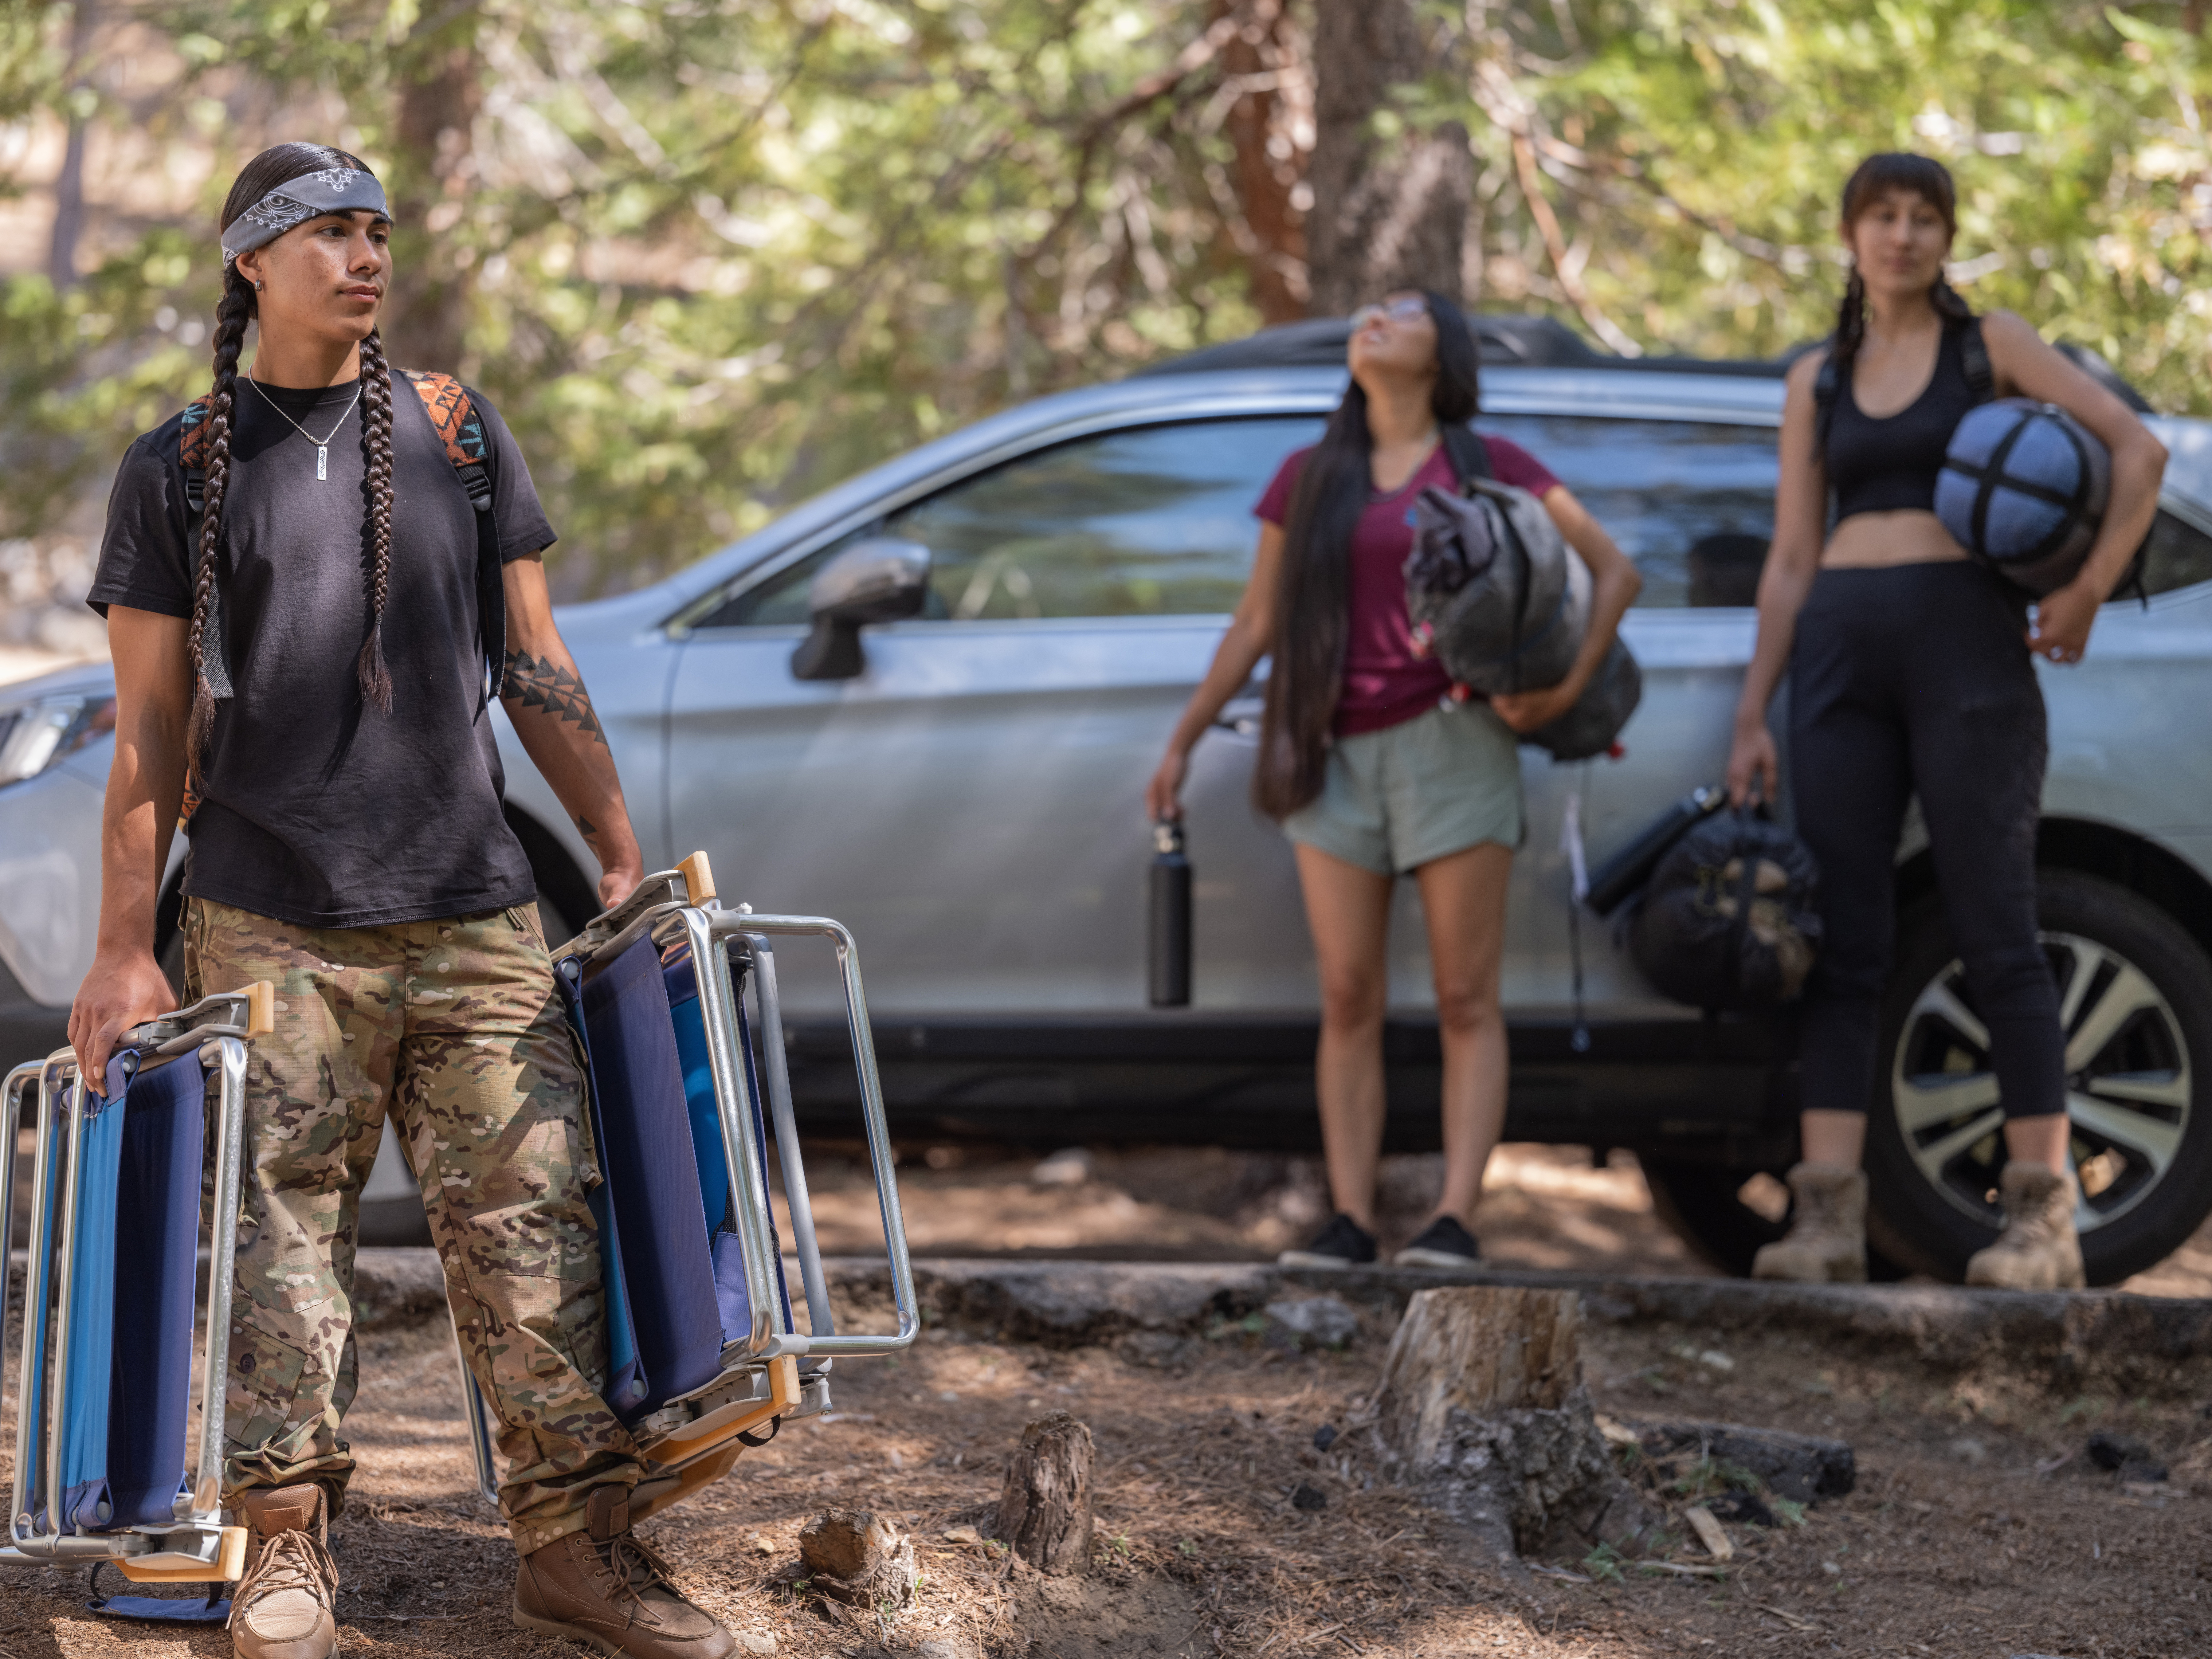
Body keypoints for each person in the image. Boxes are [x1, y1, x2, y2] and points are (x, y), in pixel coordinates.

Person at [72, 144, 734, 1659]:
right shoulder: (177, 467)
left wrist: (617, 843)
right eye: (328, 233)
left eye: (377, 231)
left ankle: (578, 1553)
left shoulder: (455, 429)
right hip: (265, 913)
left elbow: (536, 664)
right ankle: (287, 1549)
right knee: (282, 1254)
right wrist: (123, 946)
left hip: (474, 910)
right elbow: (151, 734)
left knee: (541, 1235)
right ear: (251, 261)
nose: (366, 257)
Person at [1726, 153, 2167, 1289]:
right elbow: (1788, 557)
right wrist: (1751, 715)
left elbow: (2139, 449)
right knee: (1843, 943)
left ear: (1946, 237)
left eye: (1925, 218)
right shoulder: (1817, 379)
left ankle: (2041, 1226)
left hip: (1968, 654)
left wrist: (2085, 590)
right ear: (1850, 232)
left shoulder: (1993, 349)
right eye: (1883, 215)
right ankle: (1825, 1220)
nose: (1904, 236)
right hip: (1836, 660)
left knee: (1995, 928)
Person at [1145, 291, 1641, 1268]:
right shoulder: (1310, 476)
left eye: (1405, 311)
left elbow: (1614, 572)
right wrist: (1184, 741)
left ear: (1443, 352)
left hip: (1455, 744)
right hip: (1334, 758)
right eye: (1370, 310)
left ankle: (1455, 1220)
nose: (1376, 317)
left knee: (1466, 995)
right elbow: (1256, 624)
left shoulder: (1489, 466)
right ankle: (1350, 1221)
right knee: (1347, 996)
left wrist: (1557, 696)